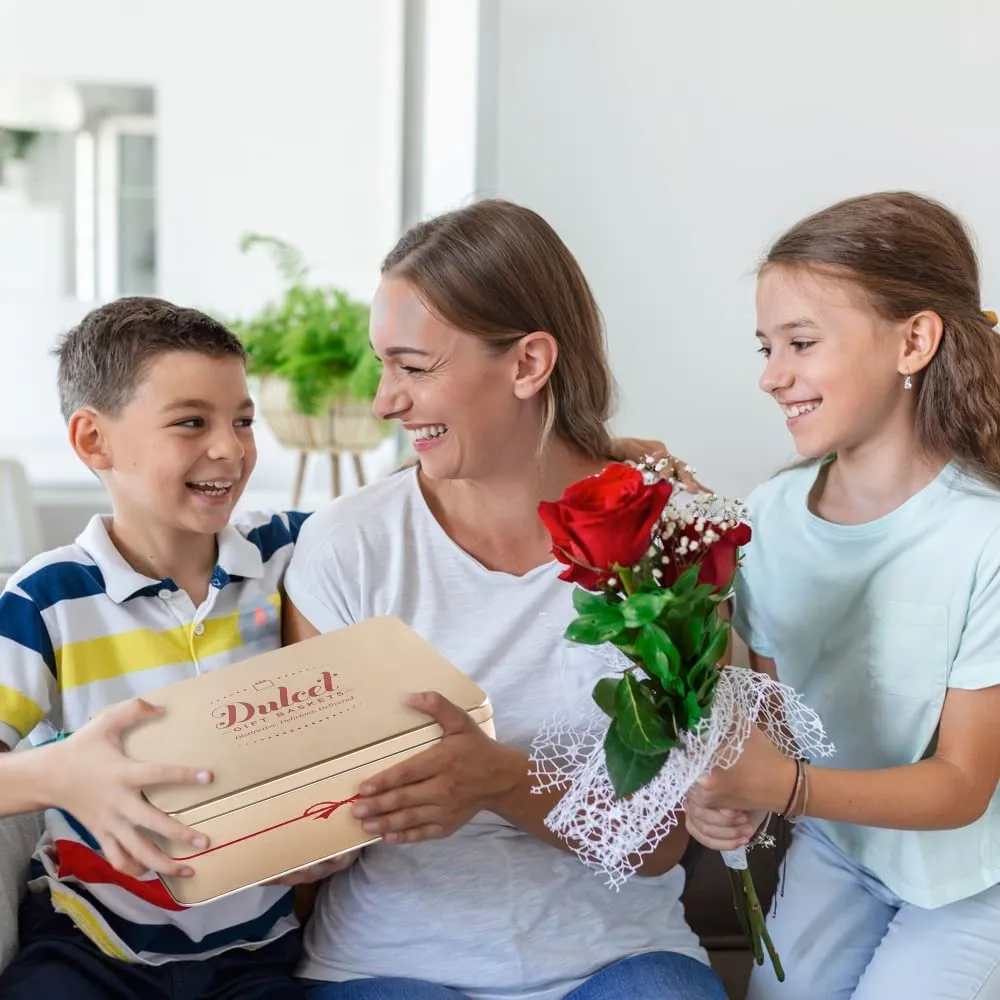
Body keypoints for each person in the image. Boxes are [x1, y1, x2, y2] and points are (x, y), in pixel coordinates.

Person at [281, 199, 728, 1000]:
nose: (385, 401)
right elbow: (306, 812)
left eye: (414, 368)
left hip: (620, 957)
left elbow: (660, 845)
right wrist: (297, 839)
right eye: (383, 365)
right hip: (388, 965)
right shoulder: (350, 548)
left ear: (528, 364)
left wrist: (499, 780)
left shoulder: (670, 539)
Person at [684, 192, 1000, 999]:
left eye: (800, 343)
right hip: (841, 849)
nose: (770, 375)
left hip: (975, 879)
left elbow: (964, 785)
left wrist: (780, 788)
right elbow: (767, 718)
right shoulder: (769, 518)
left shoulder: (985, 536)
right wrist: (724, 802)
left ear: (915, 340)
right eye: (765, 346)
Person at [0, 298, 320, 998]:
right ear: (93, 441)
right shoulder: (47, 598)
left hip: (255, 956)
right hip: (89, 948)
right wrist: (60, 776)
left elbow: (423, 500)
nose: (230, 449)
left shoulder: (292, 552)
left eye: (242, 420)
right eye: (191, 423)